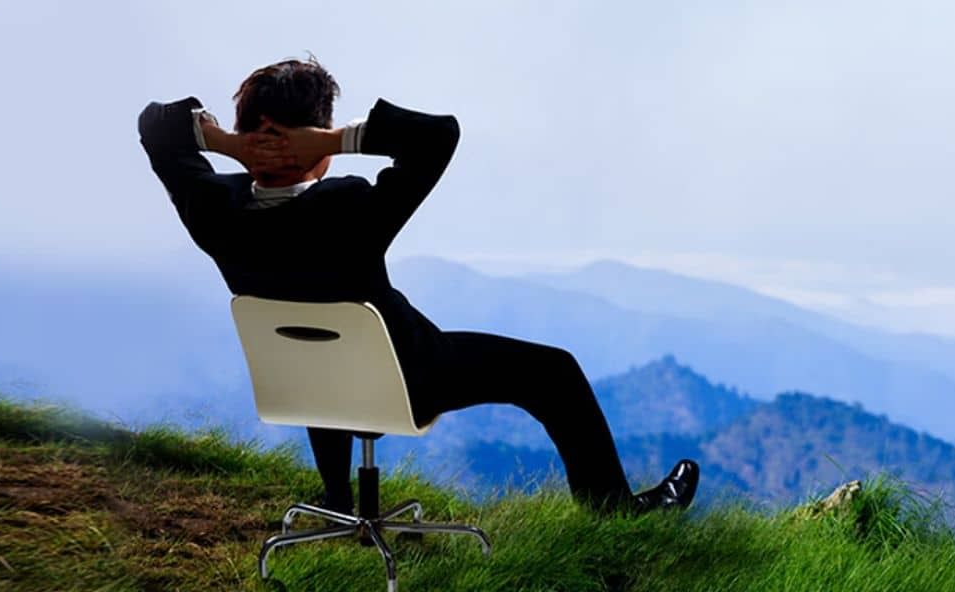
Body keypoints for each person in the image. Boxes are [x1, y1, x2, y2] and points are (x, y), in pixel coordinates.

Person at [137, 56, 699, 517]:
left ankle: (337, 498)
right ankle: (612, 511)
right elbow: (438, 136)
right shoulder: (349, 205)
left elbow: (152, 123)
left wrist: (228, 145)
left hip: (302, 385)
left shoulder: (214, 210)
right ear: (317, 145)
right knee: (553, 371)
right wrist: (338, 138)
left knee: (315, 335)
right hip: (406, 375)